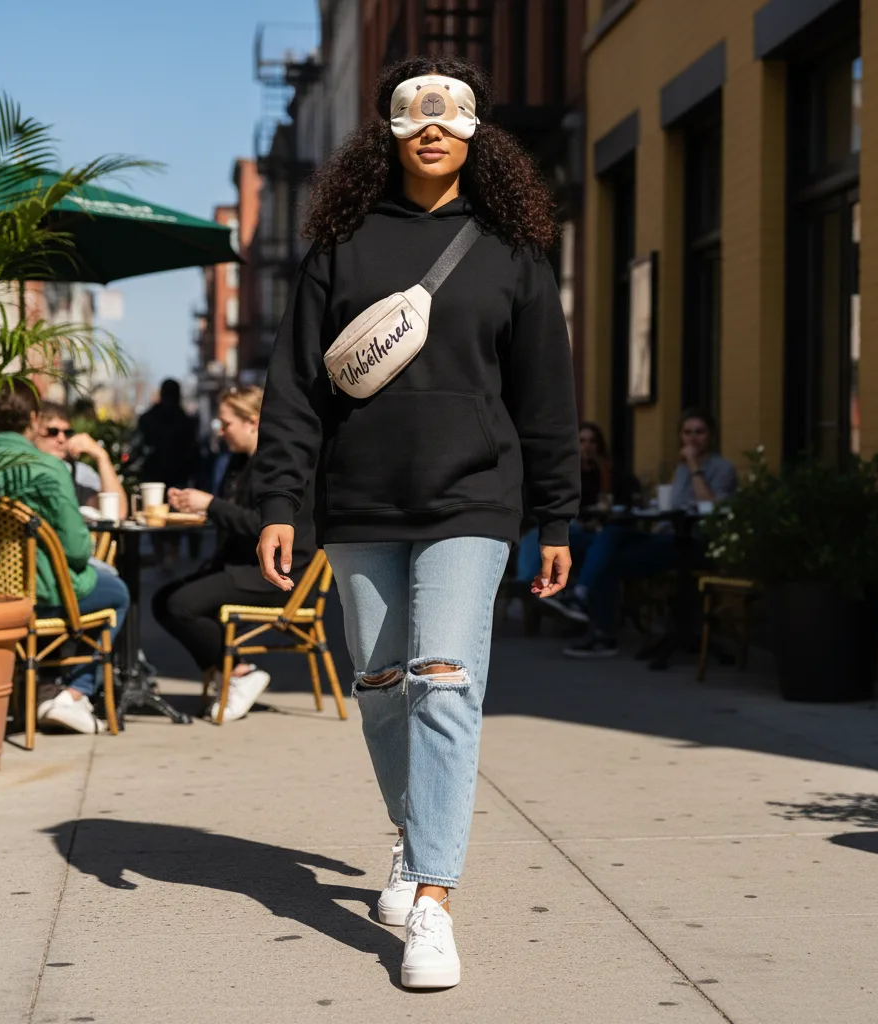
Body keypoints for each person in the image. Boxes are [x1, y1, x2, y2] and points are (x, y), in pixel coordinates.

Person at [251, 55, 580, 989]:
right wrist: (279, 499)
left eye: (450, 113)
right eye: (413, 113)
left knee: (443, 679)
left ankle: (433, 896)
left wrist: (555, 515)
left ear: (475, 130)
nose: (432, 126)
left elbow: (545, 396)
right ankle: (411, 831)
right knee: (383, 683)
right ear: (388, 130)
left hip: (473, 495)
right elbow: (294, 389)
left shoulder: (512, 250)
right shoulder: (341, 246)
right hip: (358, 498)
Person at [0, 380, 130, 733]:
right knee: (117, 592)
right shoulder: (47, 468)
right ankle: (74, 694)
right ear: (35, 419)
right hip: (44, 594)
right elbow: (77, 549)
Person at [152, 386, 317, 721]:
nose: (221, 431)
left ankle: (240, 672)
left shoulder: (277, 468)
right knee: (163, 599)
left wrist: (211, 505)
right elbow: (236, 516)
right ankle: (226, 670)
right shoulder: (239, 463)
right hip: (242, 565)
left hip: (279, 575)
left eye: (226, 423)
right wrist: (197, 507)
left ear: (253, 422)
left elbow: (263, 524)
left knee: (181, 605)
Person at [564, 408, 737, 659]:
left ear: (710, 436)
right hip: (668, 537)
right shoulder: (679, 470)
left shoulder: (722, 468)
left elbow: (709, 506)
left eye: (699, 432)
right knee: (610, 537)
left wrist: (693, 466)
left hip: (697, 541)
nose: (693, 438)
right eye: (687, 433)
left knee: (607, 557)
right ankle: (588, 610)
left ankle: (595, 621)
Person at [514, 422, 612, 623]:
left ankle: (529, 582)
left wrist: (603, 471)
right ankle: (525, 581)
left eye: (592, 441)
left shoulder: (606, 471)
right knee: (537, 534)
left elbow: (613, 504)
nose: (587, 446)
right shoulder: (567, 473)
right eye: (582, 440)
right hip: (569, 530)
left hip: (594, 534)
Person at [135, 379, 198, 567]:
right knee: (175, 515)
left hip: (154, 474)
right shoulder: (186, 420)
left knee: (155, 514)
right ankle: (172, 553)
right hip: (178, 473)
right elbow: (192, 450)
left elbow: (141, 445)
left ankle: (160, 553)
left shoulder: (147, 418)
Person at [34, 400, 127, 511]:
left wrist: (102, 456)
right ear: (33, 431)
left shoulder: (79, 473)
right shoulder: (18, 467)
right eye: (53, 432)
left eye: (67, 433)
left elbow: (117, 511)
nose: (61, 439)